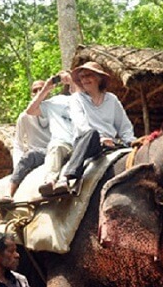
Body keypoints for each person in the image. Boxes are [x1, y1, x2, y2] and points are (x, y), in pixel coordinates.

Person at [57, 61, 135, 193]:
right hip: (86, 141)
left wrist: (132, 142)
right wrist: (100, 139)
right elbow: (81, 125)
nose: (85, 79)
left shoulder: (112, 99)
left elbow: (124, 127)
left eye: (89, 75)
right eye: (82, 77)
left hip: (110, 144)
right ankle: (66, 177)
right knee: (92, 134)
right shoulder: (76, 99)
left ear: (99, 78)